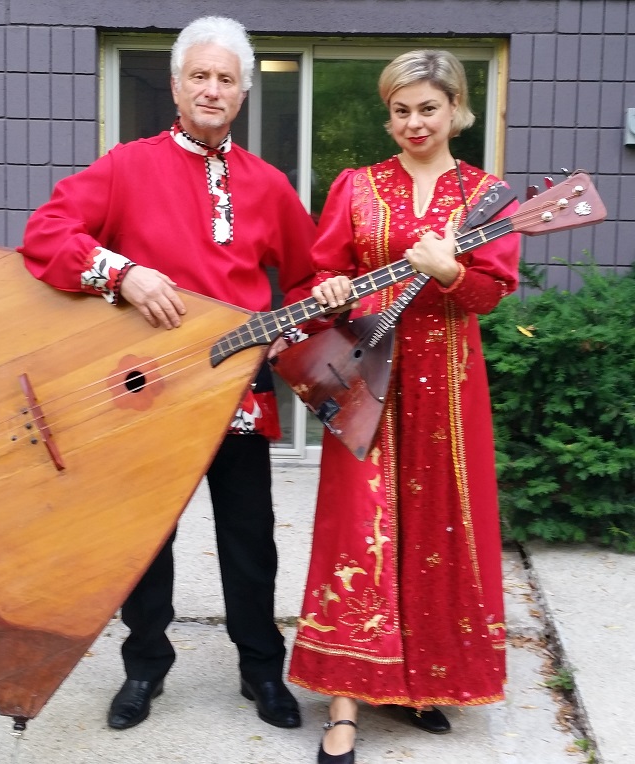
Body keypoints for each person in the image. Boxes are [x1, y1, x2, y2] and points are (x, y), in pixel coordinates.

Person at [18, 16, 317, 732]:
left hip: (236, 398)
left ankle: (261, 672)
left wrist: (285, 334)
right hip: (144, 396)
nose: (212, 89)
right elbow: (46, 236)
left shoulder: (270, 185)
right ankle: (145, 668)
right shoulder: (125, 167)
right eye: (199, 76)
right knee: (144, 543)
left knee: (250, 541)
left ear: (243, 93)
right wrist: (122, 275)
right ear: (178, 86)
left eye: (226, 79)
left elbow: (311, 279)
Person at [286, 49, 521, 764]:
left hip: (449, 386)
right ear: (388, 115)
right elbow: (326, 268)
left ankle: (421, 683)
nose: (414, 122)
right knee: (356, 527)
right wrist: (330, 287)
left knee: (439, 524)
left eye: (428, 107)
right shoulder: (357, 187)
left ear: (456, 110)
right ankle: (345, 702)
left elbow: (491, 293)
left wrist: (450, 270)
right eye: (401, 109)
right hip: (367, 379)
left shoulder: (490, 194)